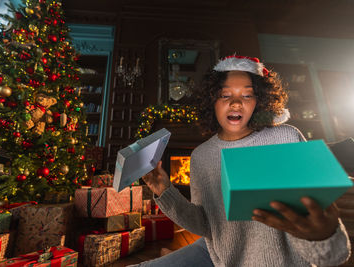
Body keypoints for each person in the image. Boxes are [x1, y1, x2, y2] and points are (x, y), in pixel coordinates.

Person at [131, 55, 351, 267]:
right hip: (221, 257)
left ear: (259, 101)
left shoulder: (286, 137)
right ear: (212, 102)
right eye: (225, 95)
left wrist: (324, 237)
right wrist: (164, 190)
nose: (236, 103)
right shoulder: (201, 155)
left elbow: (332, 251)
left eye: (247, 95)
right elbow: (205, 224)